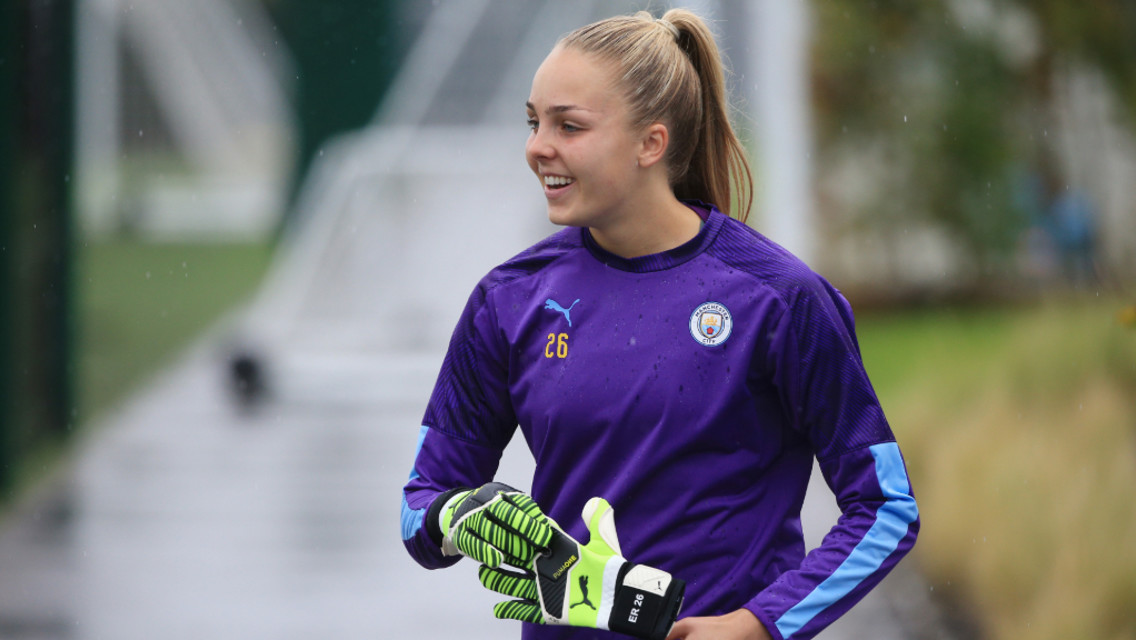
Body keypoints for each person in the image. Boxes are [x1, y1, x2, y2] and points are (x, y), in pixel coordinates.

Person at [401, 8, 919, 640]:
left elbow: (885, 507)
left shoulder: (781, 299)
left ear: (652, 142)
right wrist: (459, 516)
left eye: (569, 125)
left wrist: (757, 624)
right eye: (535, 122)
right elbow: (422, 501)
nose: (538, 146)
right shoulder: (507, 300)